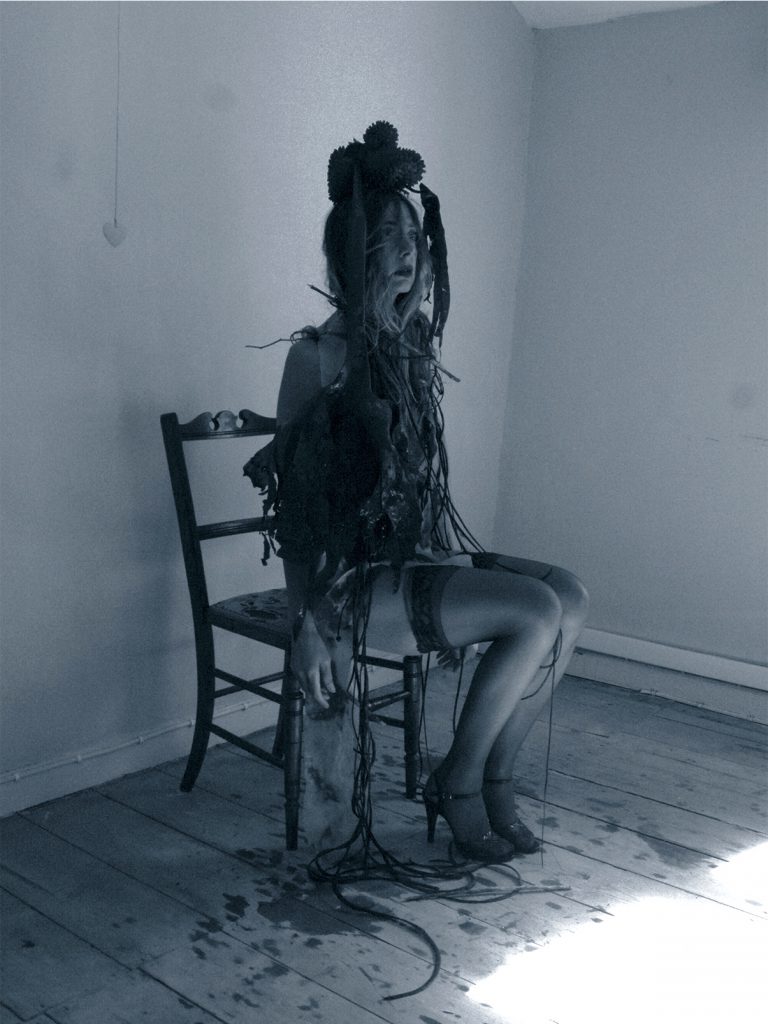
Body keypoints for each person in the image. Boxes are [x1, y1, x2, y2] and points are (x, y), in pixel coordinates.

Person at [248, 122, 589, 863]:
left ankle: (493, 775)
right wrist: (306, 621)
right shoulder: (316, 356)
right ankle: (459, 782)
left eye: (415, 238)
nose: (410, 253)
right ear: (353, 251)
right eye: (390, 238)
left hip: (411, 559)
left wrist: (437, 549)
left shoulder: (413, 343)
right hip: (350, 587)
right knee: (535, 611)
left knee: (569, 593)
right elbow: (297, 511)